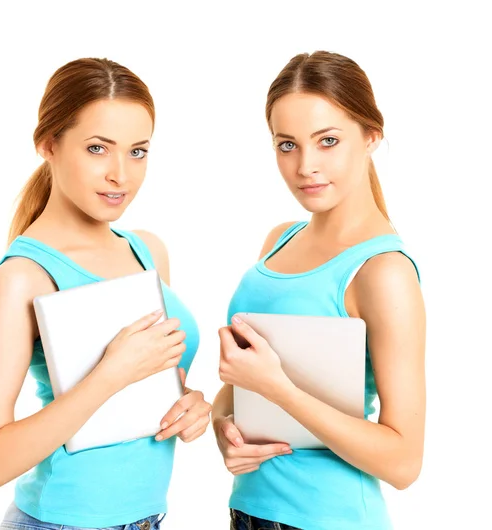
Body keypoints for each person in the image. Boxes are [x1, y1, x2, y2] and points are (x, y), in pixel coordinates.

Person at [0, 57, 211, 530]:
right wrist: (108, 374)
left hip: (148, 519)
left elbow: (151, 389)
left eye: (138, 151)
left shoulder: (148, 253)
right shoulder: (23, 277)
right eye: (98, 148)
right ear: (48, 144)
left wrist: (188, 405)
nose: (122, 174)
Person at [212, 51, 426, 530]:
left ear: (371, 136)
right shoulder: (279, 240)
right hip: (249, 514)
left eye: (327, 141)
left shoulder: (381, 271)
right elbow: (240, 387)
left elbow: (404, 462)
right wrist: (224, 428)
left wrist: (279, 390)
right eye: (287, 145)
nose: (306, 165)